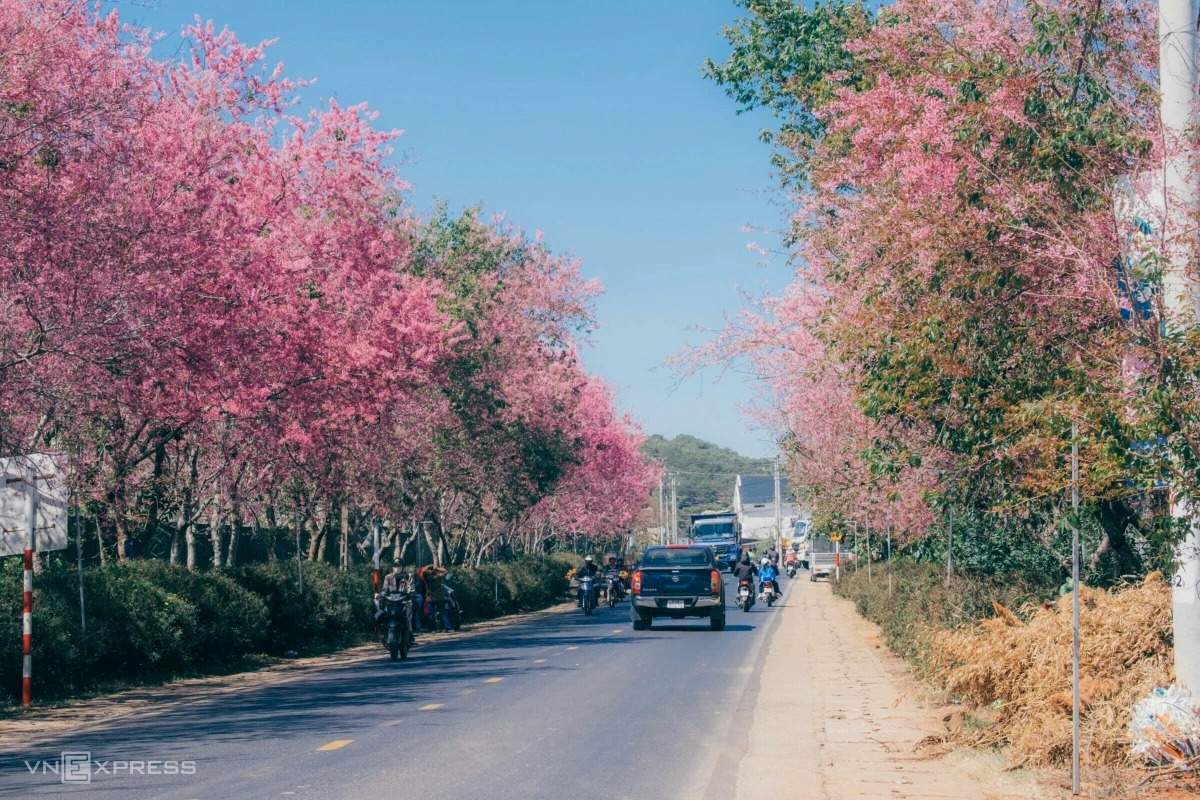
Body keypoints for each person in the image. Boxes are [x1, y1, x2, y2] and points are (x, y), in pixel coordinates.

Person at [417, 563, 452, 631]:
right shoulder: (432, 577)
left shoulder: (427, 577)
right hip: (434, 598)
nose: (430, 570)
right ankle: (447, 627)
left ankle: (435, 628)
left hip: (434, 598)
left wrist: (431, 567)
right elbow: (445, 571)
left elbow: (422, 571)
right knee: (437, 614)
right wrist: (436, 568)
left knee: (436, 614)